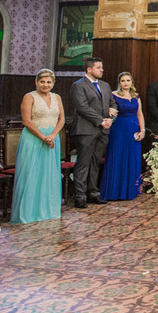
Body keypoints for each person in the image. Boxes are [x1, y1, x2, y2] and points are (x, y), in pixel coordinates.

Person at [12, 69, 65, 224]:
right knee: (31, 173)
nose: (45, 85)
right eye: (42, 82)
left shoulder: (57, 97)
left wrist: (53, 135)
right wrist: (43, 137)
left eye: (49, 82)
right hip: (34, 138)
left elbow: (61, 119)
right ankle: (28, 212)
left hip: (53, 138)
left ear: (53, 83)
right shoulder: (29, 97)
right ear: (36, 82)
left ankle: (48, 211)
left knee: (49, 174)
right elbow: (26, 121)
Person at [69, 57, 114, 208]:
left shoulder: (105, 85)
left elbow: (113, 104)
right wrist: (101, 120)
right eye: (99, 67)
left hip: (103, 130)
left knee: (95, 162)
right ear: (89, 69)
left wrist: (111, 119)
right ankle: (80, 196)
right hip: (85, 130)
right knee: (83, 162)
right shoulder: (78, 86)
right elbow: (82, 107)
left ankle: (93, 193)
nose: (102, 70)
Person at [99, 72, 145, 202]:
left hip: (134, 130)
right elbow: (108, 111)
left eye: (128, 80)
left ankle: (131, 190)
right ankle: (114, 190)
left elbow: (140, 114)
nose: (126, 83)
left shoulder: (136, 96)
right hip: (118, 129)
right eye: (123, 81)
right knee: (117, 156)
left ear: (132, 82)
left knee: (132, 158)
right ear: (119, 82)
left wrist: (142, 130)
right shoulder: (113, 95)